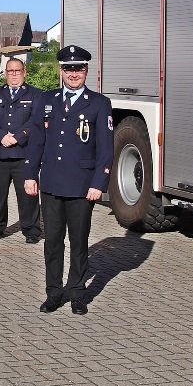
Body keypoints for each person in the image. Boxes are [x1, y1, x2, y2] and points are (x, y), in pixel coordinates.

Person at [23, 45, 113, 315]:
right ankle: (53, 292)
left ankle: (77, 293)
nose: (74, 74)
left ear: (87, 71)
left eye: (79, 69)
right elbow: (36, 140)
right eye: (69, 69)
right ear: (61, 71)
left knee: (79, 241)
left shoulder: (99, 103)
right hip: (51, 183)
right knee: (52, 241)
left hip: (82, 186)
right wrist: (30, 174)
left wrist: (98, 183)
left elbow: (106, 148)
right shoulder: (46, 100)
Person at [0, 57, 43, 243]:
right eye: (10, 71)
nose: (14, 74)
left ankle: (31, 231)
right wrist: (1, 136)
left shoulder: (35, 94)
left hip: (23, 153)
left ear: (24, 72)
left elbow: (36, 121)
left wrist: (18, 137)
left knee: (27, 195)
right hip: (0, 152)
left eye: (18, 71)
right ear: (5, 73)